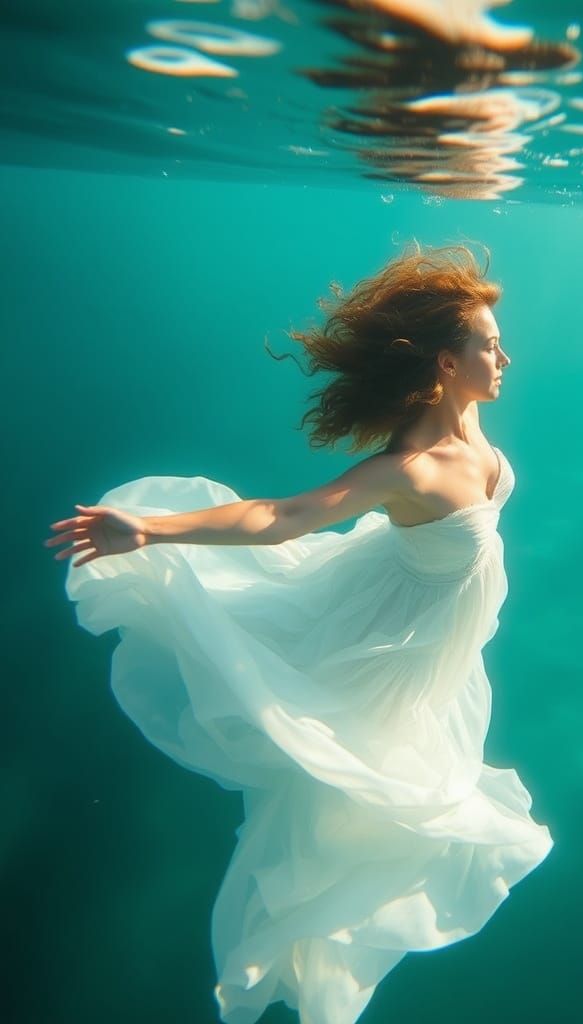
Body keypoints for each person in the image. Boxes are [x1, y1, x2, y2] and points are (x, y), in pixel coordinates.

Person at [44, 243, 553, 1024]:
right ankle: (291, 963)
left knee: (372, 822)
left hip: (437, 645)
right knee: (351, 821)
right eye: (488, 343)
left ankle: (312, 961)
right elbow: (284, 518)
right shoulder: (409, 469)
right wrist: (147, 530)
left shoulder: (474, 427)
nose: (505, 355)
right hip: (384, 652)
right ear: (447, 366)